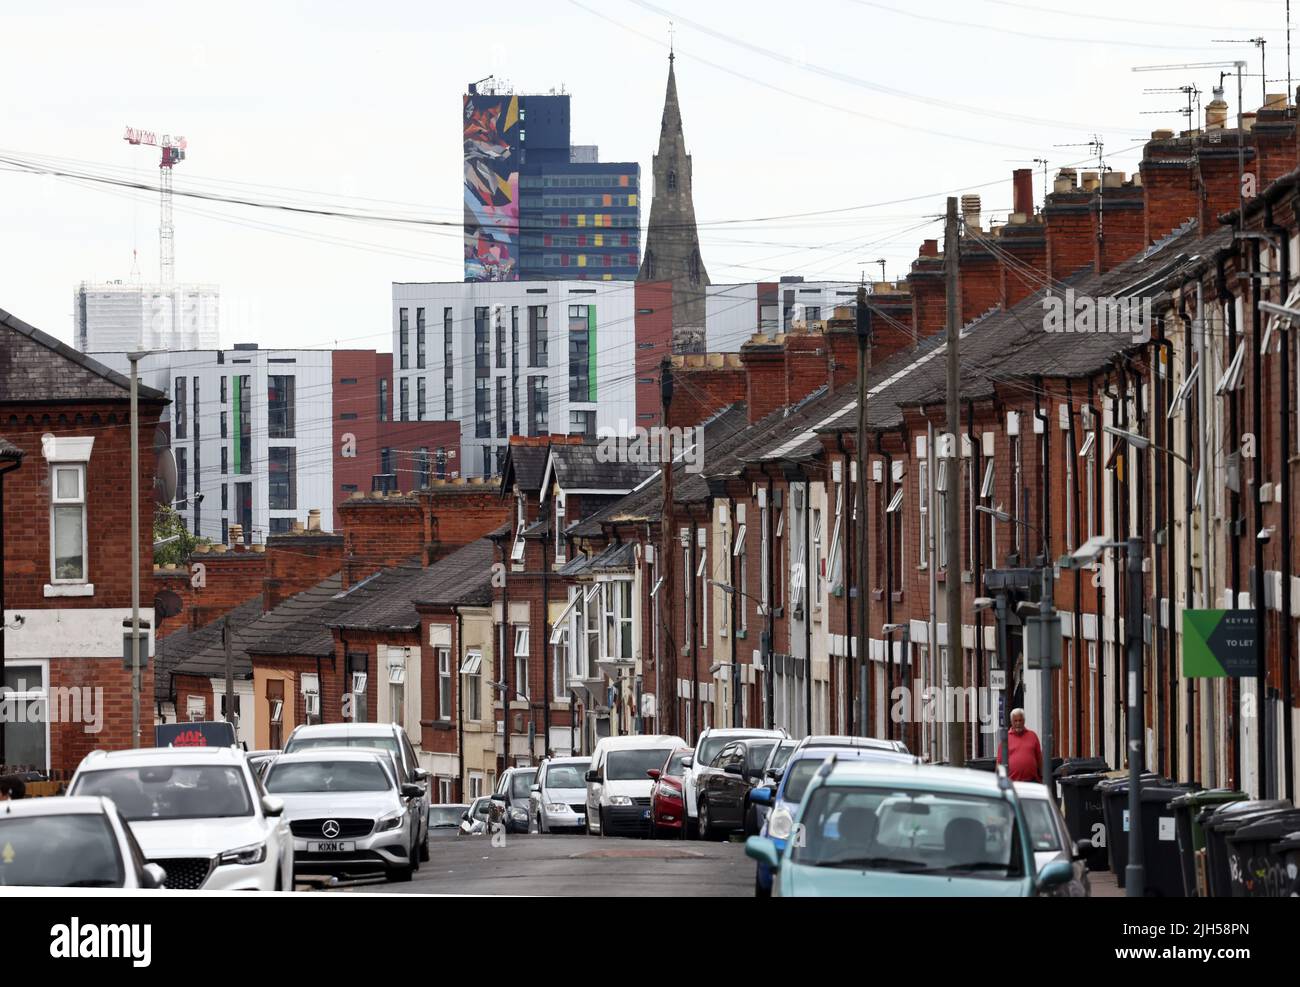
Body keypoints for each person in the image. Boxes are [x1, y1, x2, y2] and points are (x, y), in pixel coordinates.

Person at [997, 708, 1043, 783]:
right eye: (1015, 721)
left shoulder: (1032, 736)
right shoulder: (1006, 739)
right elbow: (999, 762)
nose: (1018, 723)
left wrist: (1042, 777)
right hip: (1012, 782)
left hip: (1031, 781)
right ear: (1011, 722)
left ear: (1024, 721)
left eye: (1020, 720)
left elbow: (1039, 759)